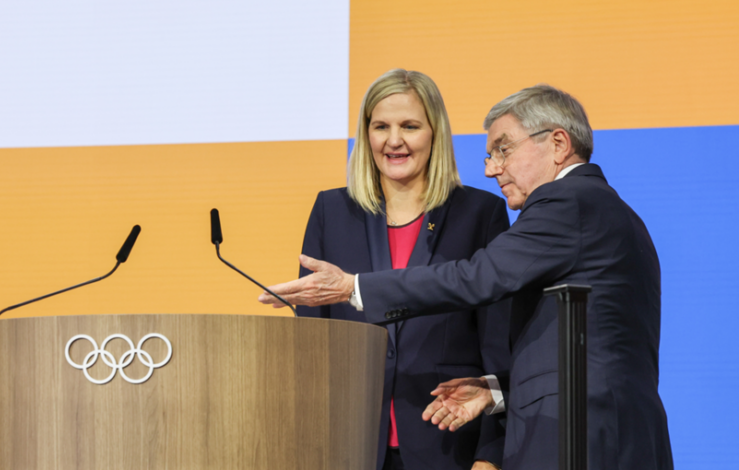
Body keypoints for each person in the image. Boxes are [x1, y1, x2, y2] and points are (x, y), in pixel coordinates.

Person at [260, 85, 674, 470]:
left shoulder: (568, 203)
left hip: (582, 435)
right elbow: (576, 351)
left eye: (503, 149)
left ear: (558, 144)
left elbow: (477, 277)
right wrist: (495, 392)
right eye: (490, 154)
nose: (493, 169)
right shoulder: (605, 209)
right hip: (607, 429)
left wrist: (354, 287)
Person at [296, 69, 510, 470]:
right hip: (347, 444)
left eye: (409, 126)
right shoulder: (331, 211)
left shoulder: (481, 214)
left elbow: (500, 346)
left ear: (434, 133)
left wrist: (490, 455)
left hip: (448, 447)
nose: (394, 140)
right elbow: (310, 345)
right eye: (381, 127)